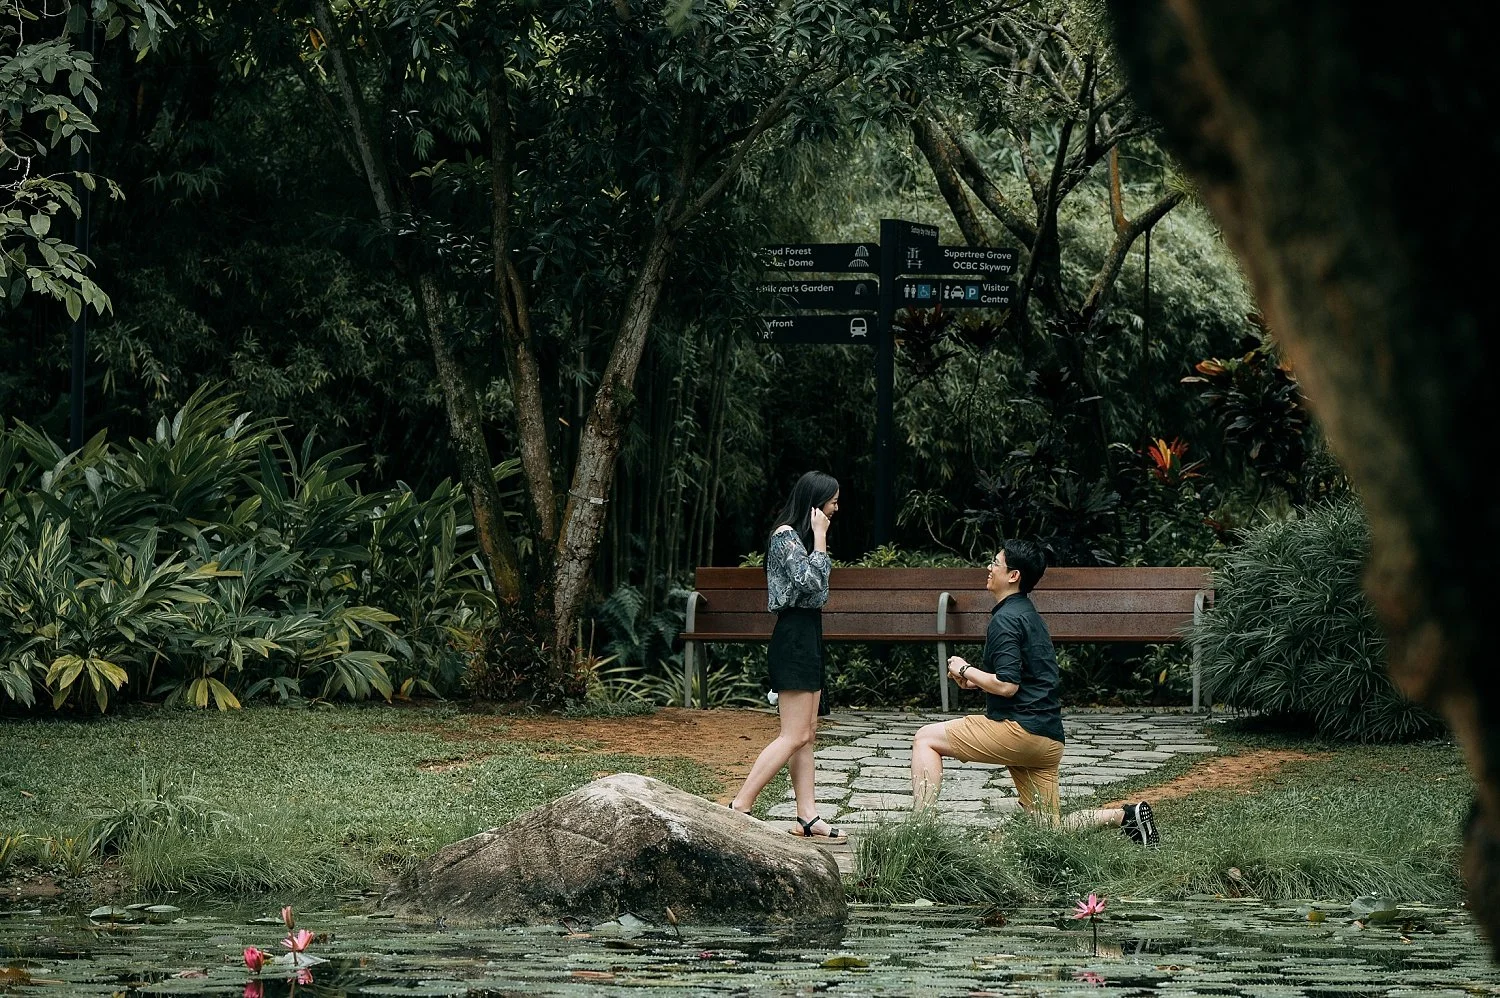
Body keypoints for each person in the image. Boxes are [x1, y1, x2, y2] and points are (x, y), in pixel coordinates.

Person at [909, 539, 1159, 847]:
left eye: (995, 563)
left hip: (1020, 731)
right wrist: (975, 681)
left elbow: (1007, 685)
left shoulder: (1005, 620)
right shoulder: (1030, 616)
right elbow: (1024, 678)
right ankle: (1127, 816)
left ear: (1013, 575)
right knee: (1049, 829)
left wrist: (964, 669)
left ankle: (918, 834)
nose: (989, 568)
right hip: (1048, 739)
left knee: (926, 739)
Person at [728, 471, 846, 843]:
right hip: (793, 635)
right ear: (815, 502)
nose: (836, 508)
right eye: (833, 501)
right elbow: (812, 584)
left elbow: (818, 592)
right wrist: (822, 539)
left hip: (809, 632)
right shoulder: (784, 537)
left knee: (807, 735)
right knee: (793, 734)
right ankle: (740, 805)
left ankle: (807, 817)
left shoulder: (801, 540)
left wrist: (819, 542)